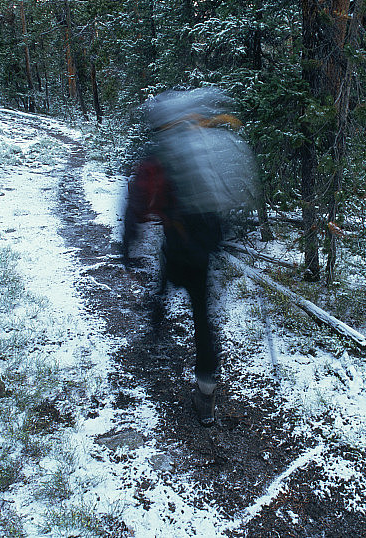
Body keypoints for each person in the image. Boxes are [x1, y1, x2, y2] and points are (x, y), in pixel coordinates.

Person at [121, 88, 256, 426]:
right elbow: (238, 190)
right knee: (201, 314)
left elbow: (139, 199)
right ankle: (206, 395)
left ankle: (154, 335)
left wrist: (128, 244)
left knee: (167, 275)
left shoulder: (163, 152)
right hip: (208, 242)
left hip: (178, 239)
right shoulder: (209, 143)